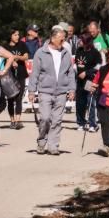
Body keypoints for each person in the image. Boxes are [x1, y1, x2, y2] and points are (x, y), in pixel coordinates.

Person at [28, 25, 76, 156]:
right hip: (45, 91)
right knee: (45, 118)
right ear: (53, 38)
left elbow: (70, 73)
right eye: (61, 39)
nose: (63, 42)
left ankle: (53, 145)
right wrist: (31, 91)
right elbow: (35, 73)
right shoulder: (41, 53)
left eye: (64, 39)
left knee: (57, 120)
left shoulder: (66, 53)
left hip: (61, 91)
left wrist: (72, 89)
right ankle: (41, 141)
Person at [74, 34, 102, 132]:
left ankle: (92, 124)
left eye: (81, 40)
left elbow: (98, 66)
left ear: (87, 41)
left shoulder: (95, 53)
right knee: (80, 102)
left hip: (90, 80)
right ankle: (81, 123)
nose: (79, 42)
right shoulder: (79, 51)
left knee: (90, 102)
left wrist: (87, 72)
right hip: (80, 81)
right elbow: (76, 64)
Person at [5, 29, 29, 129]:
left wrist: (16, 57)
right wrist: (10, 61)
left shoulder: (22, 45)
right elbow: (2, 58)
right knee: (10, 98)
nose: (17, 37)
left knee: (19, 97)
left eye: (18, 35)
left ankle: (18, 120)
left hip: (21, 74)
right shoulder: (5, 47)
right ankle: (12, 120)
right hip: (9, 76)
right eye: (15, 35)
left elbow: (26, 57)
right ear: (10, 36)